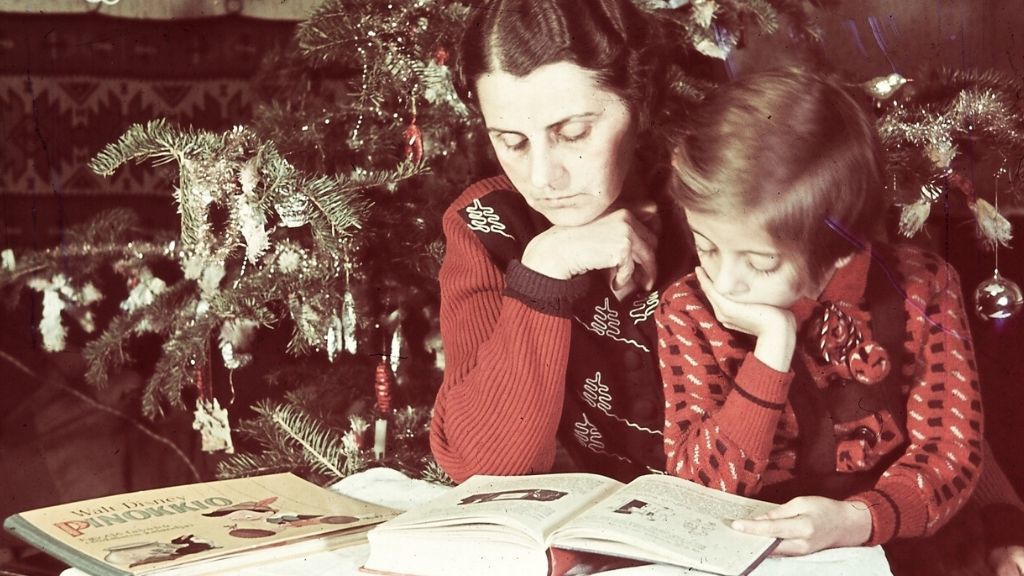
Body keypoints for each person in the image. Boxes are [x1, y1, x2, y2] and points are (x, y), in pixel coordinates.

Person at [657, 68, 1024, 575]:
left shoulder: (924, 286)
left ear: (839, 250)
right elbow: (697, 487)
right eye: (707, 246)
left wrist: (856, 521)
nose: (726, 280)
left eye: (760, 262)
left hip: (900, 537)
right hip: (756, 552)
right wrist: (772, 349)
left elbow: (952, 450)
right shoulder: (689, 308)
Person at [429, 0, 693, 484]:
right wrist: (543, 271)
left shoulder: (716, 198)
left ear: (639, 105)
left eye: (574, 133)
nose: (542, 177)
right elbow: (481, 467)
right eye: (512, 142)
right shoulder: (487, 227)